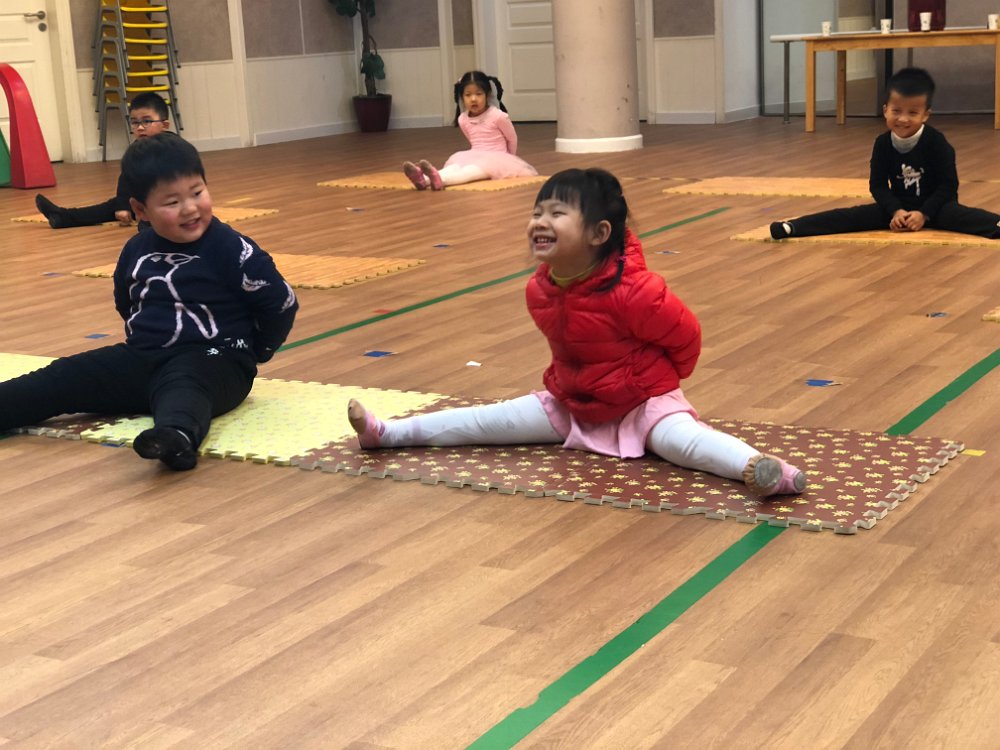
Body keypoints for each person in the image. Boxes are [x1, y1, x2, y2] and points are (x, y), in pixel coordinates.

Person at [348, 168, 806, 497]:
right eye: (537, 212)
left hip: (642, 404)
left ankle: (766, 470)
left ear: (598, 233)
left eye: (557, 213)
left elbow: (687, 337)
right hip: (574, 404)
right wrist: (573, 391)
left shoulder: (636, 291)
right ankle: (386, 433)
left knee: (684, 443)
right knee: (485, 421)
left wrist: (659, 387)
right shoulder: (540, 289)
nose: (540, 221)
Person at [0, 133, 299, 471]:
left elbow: (281, 303)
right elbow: (126, 300)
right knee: (64, 375)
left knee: (184, 387)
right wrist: (143, 341)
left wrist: (259, 350)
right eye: (172, 202)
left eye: (197, 193)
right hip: (144, 357)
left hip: (216, 363)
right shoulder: (137, 249)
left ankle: (175, 437)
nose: (190, 208)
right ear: (140, 209)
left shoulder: (232, 248)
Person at [770, 67, 1000, 240]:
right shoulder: (882, 143)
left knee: (964, 217)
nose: (903, 119)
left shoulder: (937, 142)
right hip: (898, 206)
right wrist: (896, 211)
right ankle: (794, 227)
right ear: (885, 110)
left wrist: (923, 214)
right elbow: (878, 185)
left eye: (913, 113)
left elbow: (948, 186)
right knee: (851, 216)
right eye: (896, 111)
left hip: (937, 208)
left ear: (925, 115)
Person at [34, 92, 172, 229]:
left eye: (147, 122)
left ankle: (151, 225)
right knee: (110, 206)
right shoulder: (136, 150)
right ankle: (62, 217)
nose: (140, 128)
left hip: (168, 201)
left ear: (164, 125)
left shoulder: (175, 149)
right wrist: (122, 206)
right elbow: (126, 179)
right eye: (135, 122)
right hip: (142, 201)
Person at [401, 70, 537, 191]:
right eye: (468, 95)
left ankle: (438, 180)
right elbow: (472, 140)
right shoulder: (463, 119)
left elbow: (512, 139)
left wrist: (509, 160)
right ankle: (423, 179)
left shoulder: (498, 116)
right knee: (453, 167)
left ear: (487, 95)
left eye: (479, 94)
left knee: (468, 172)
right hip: (473, 154)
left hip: (497, 158)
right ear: (462, 97)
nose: (473, 99)